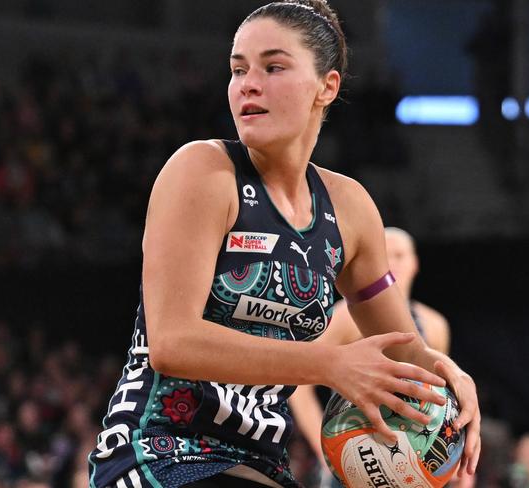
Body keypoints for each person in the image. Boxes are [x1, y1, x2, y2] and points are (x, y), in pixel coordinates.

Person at [87, 1, 481, 487]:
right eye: (237, 70)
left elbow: (405, 354)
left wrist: (450, 382)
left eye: (273, 67)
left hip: (261, 461)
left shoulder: (350, 208)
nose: (248, 83)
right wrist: (329, 364)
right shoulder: (203, 171)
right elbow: (172, 343)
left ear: (326, 87)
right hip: (157, 451)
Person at [289, 227, 451, 484]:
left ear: (415, 263)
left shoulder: (434, 324)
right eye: (386, 255)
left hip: (410, 460)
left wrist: (453, 457)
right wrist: (325, 449)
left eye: (400, 255)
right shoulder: (345, 315)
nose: (394, 262)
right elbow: (298, 383)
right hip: (358, 452)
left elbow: (441, 402)